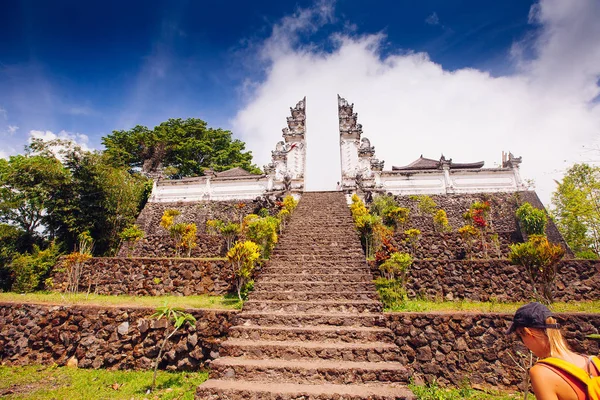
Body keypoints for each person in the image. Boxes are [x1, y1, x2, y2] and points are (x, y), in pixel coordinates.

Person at [507, 302, 600, 400]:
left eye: (520, 337)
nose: (524, 344)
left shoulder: (541, 372)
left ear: (528, 332)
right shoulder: (594, 363)